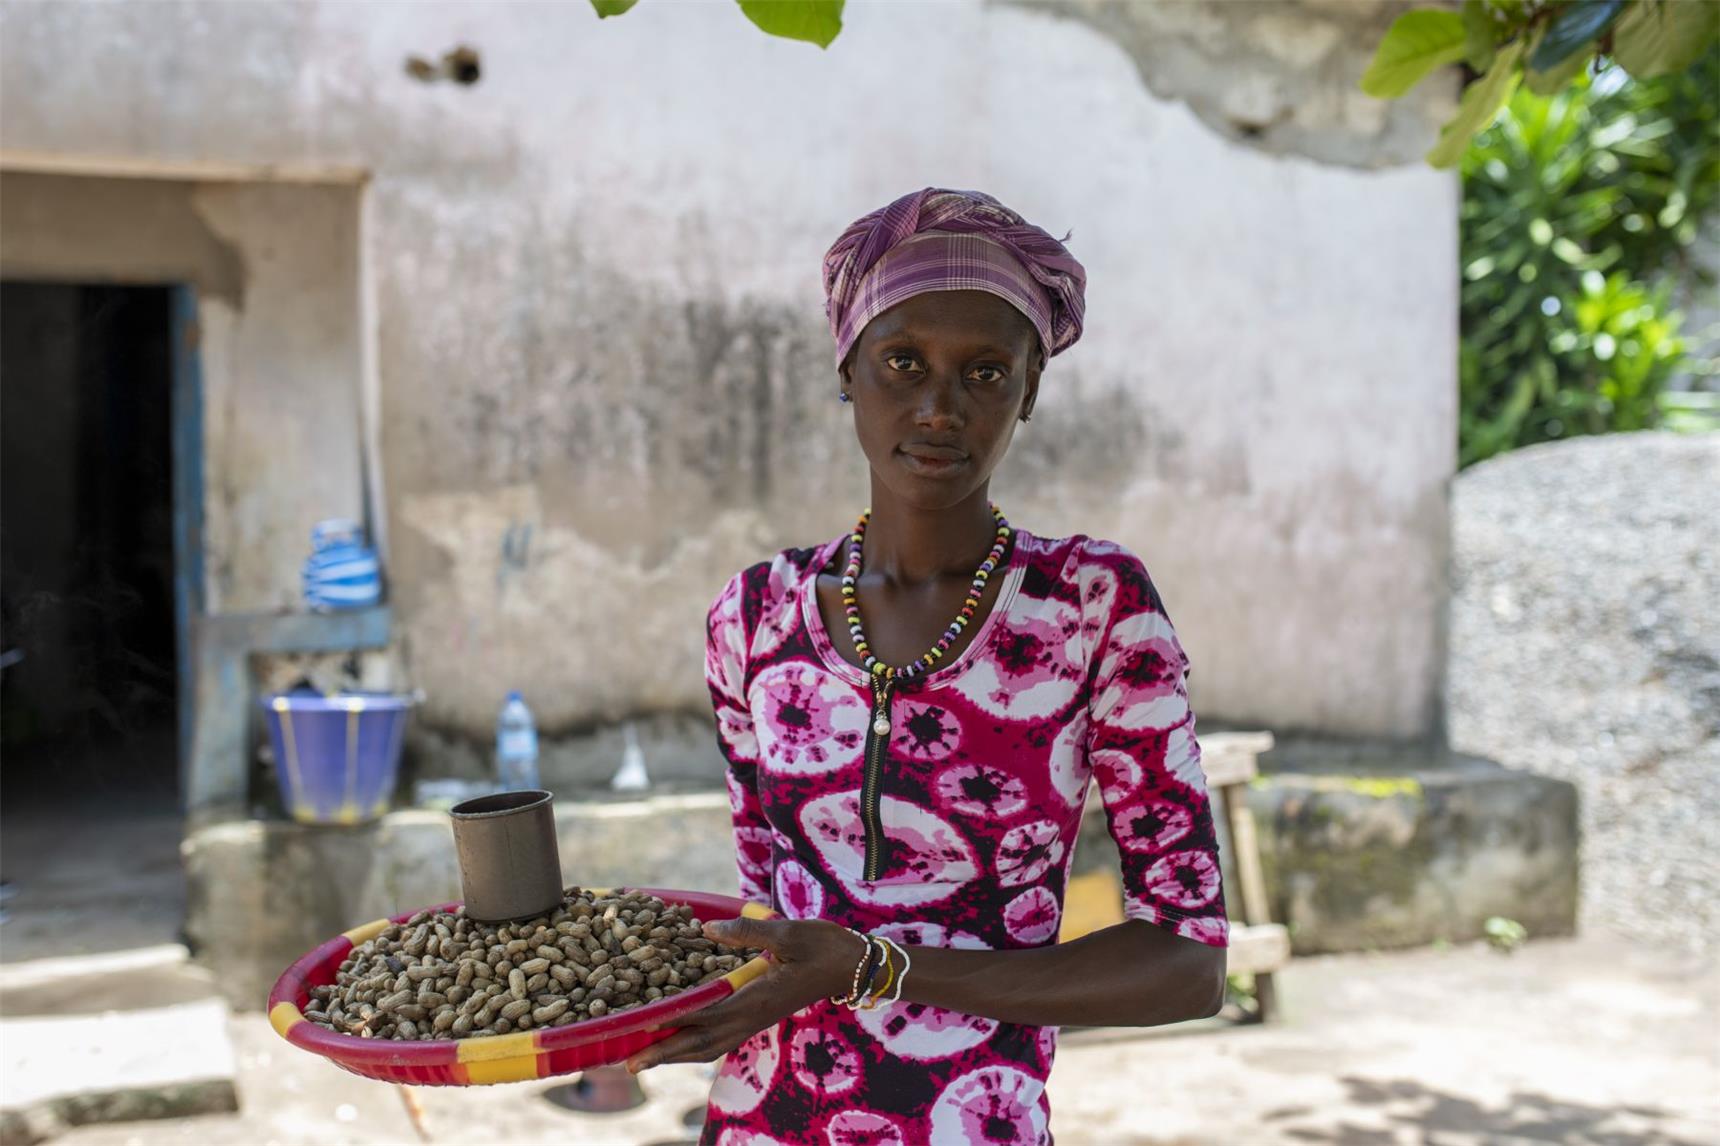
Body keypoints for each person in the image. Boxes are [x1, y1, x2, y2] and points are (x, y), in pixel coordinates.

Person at [625, 188, 1229, 1144]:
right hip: (760, 1122)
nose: (940, 407)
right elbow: (764, 913)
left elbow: (1188, 968)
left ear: (1029, 390)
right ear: (848, 369)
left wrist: (875, 967)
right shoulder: (754, 617)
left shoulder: (1090, 608)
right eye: (903, 361)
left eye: (986, 372)